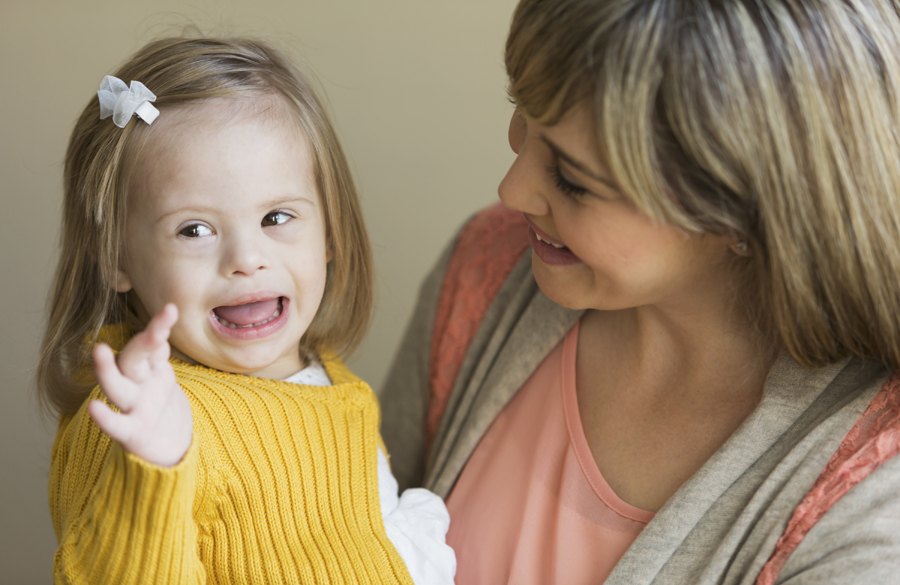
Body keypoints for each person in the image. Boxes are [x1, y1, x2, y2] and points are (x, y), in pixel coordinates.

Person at [380, 0, 900, 583]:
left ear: (748, 215)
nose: (512, 190)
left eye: (574, 181)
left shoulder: (873, 507)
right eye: (522, 115)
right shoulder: (487, 270)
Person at [38, 37, 455, 585]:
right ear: (117, 258)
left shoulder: (325, 377)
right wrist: (153, 468)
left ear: (329, 228)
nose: (247, 259)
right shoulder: (137, 422)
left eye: (277, 217)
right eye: (194, 229)